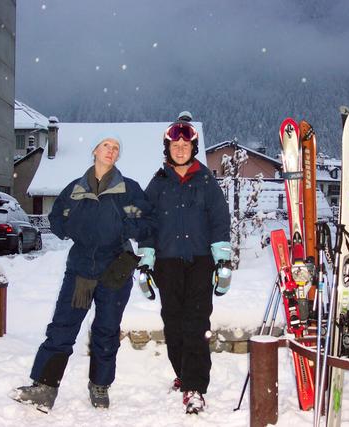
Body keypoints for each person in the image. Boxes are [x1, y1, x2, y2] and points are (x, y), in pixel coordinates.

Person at [12, 136, 153, 412]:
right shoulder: (76, 188)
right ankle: (45, 387)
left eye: (116, 148)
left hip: (115, 269)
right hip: (82, 271)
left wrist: (127, 226)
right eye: (106, 146)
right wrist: (73, 230)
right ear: (94, 151)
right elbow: (56, 219)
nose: (111, 151)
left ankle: (100, 386)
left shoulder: (129, 189)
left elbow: (146, 220)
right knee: (63, 326)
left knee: (107, 328)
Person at [137, 120, 231, 415]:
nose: (180, 149)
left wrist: (223, 261)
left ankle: (195, 387)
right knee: (173, 325)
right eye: (175, 145)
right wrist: (146, 262)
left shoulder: (205, 180)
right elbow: (147, 225)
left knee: (196, 325)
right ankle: (183, 372)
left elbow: (219, 220)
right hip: (167, 264)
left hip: (200, 262)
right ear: (168, 148)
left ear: (193, 148)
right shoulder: (158, 183)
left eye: (185, 145)